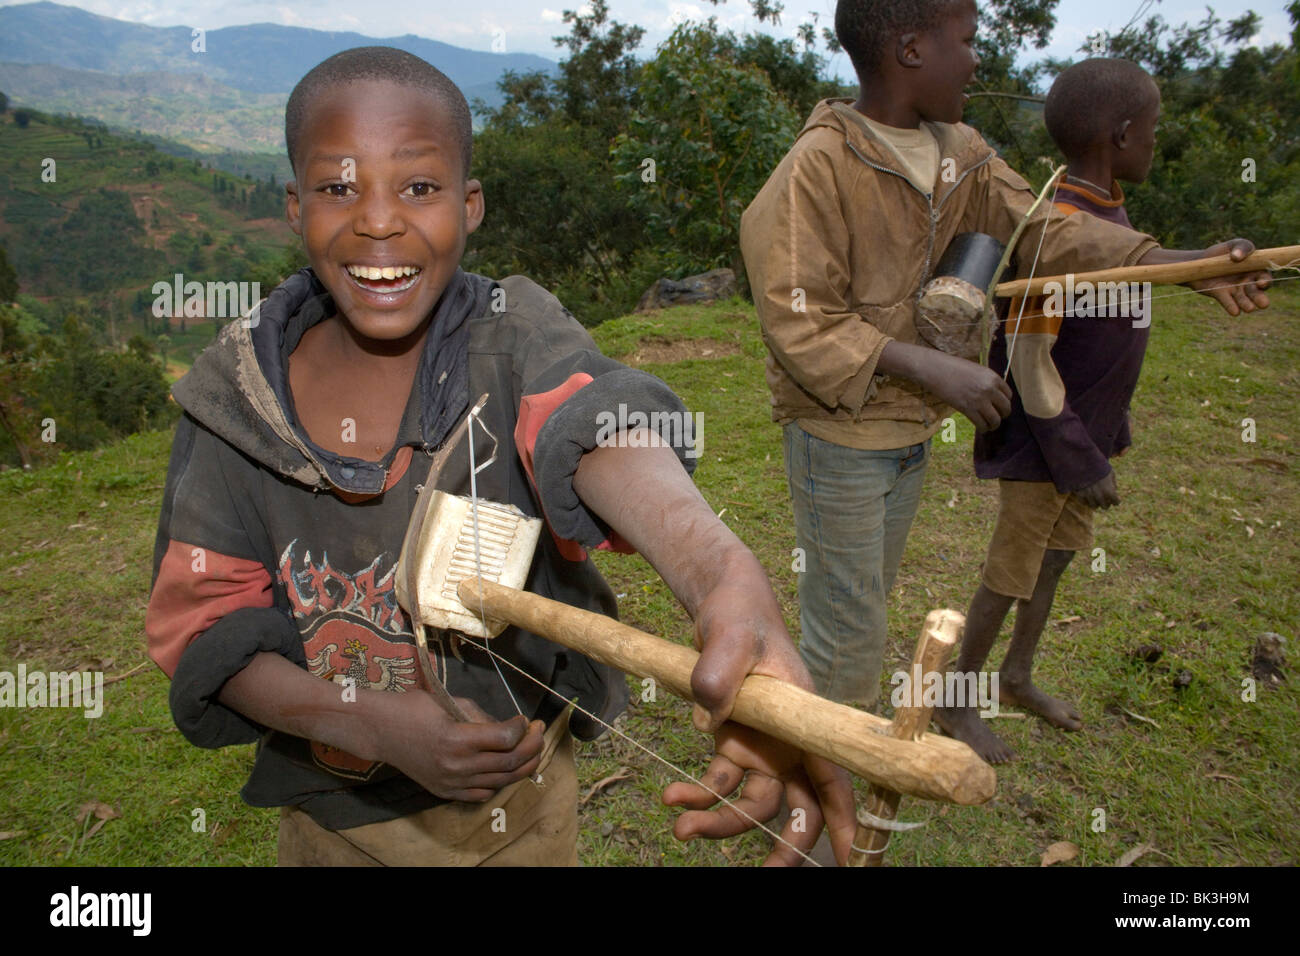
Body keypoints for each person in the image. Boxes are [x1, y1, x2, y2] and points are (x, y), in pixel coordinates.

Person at [145, 46, 854, 866]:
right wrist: (364, 720)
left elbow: (593, 424)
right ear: (295, 205)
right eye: (340, 187)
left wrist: (719, 572)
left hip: (524, 809)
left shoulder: (514, 339)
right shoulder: (235, 402)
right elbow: (209, 630)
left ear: (470, 204)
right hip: (334, 823)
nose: (378, 220)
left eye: (419, 186)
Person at [738, 0, 1270, 713]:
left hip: (906, 437)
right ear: (911, 50)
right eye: (968, 40)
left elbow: (1045, 230)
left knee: (861, 604)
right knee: (849, 634)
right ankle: (825, 791)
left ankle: (830, 762)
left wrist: (1176, 265)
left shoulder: (963, 152)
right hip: (837, 438)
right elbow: (799, 320)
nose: (978, 58)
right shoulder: (819, 166)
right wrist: (933, 366)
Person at [934, 58, 1212, 762]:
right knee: (1011, 569)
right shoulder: (1055, 229)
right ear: (1121, 134)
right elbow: (1029, 358)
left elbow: (1108, 337)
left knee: (1057, 558)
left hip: (1084, 436)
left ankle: (1017, 675)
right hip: (1044, 443)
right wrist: (1078, 455)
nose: (1155, 141)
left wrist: (1109, 427)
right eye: (1151, 130)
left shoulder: (1106, 212)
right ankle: (955, 696)